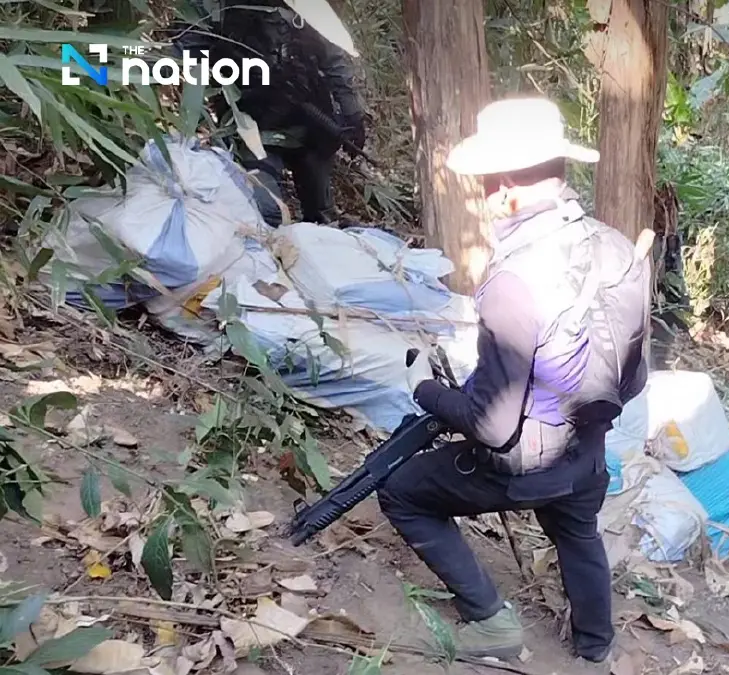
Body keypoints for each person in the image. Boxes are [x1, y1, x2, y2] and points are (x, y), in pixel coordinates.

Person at [376, 98, 651, 666]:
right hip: (589, 454)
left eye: (485, 186)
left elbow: (494, 427)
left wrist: (425, 389)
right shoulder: (617, 247)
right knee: (577, 529)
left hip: (526, 466)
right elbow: (635, 376)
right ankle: (595, 648)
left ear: (504, 190)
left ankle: (490, 620)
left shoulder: (513, 279)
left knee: (401, 491)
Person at [170, 0, 366, 224]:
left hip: (309, 128)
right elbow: (183, 51)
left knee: (323, 216)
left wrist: (352, 113)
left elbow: (333, 58)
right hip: (254, 130)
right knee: (267, 213)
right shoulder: (213, 6)